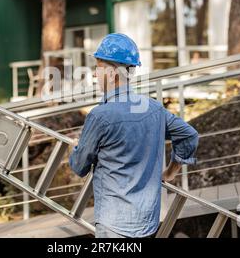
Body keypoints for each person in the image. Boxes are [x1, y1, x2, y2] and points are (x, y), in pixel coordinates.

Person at [69, 33, 199, 238]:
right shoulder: (154, 108)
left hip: (113, 225)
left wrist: (78, 146)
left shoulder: (100, 116)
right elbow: (189, 135)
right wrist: (170, 171)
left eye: (98, 67)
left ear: (111, 73)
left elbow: (79, 166)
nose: (95, 75)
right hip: (148, 222)